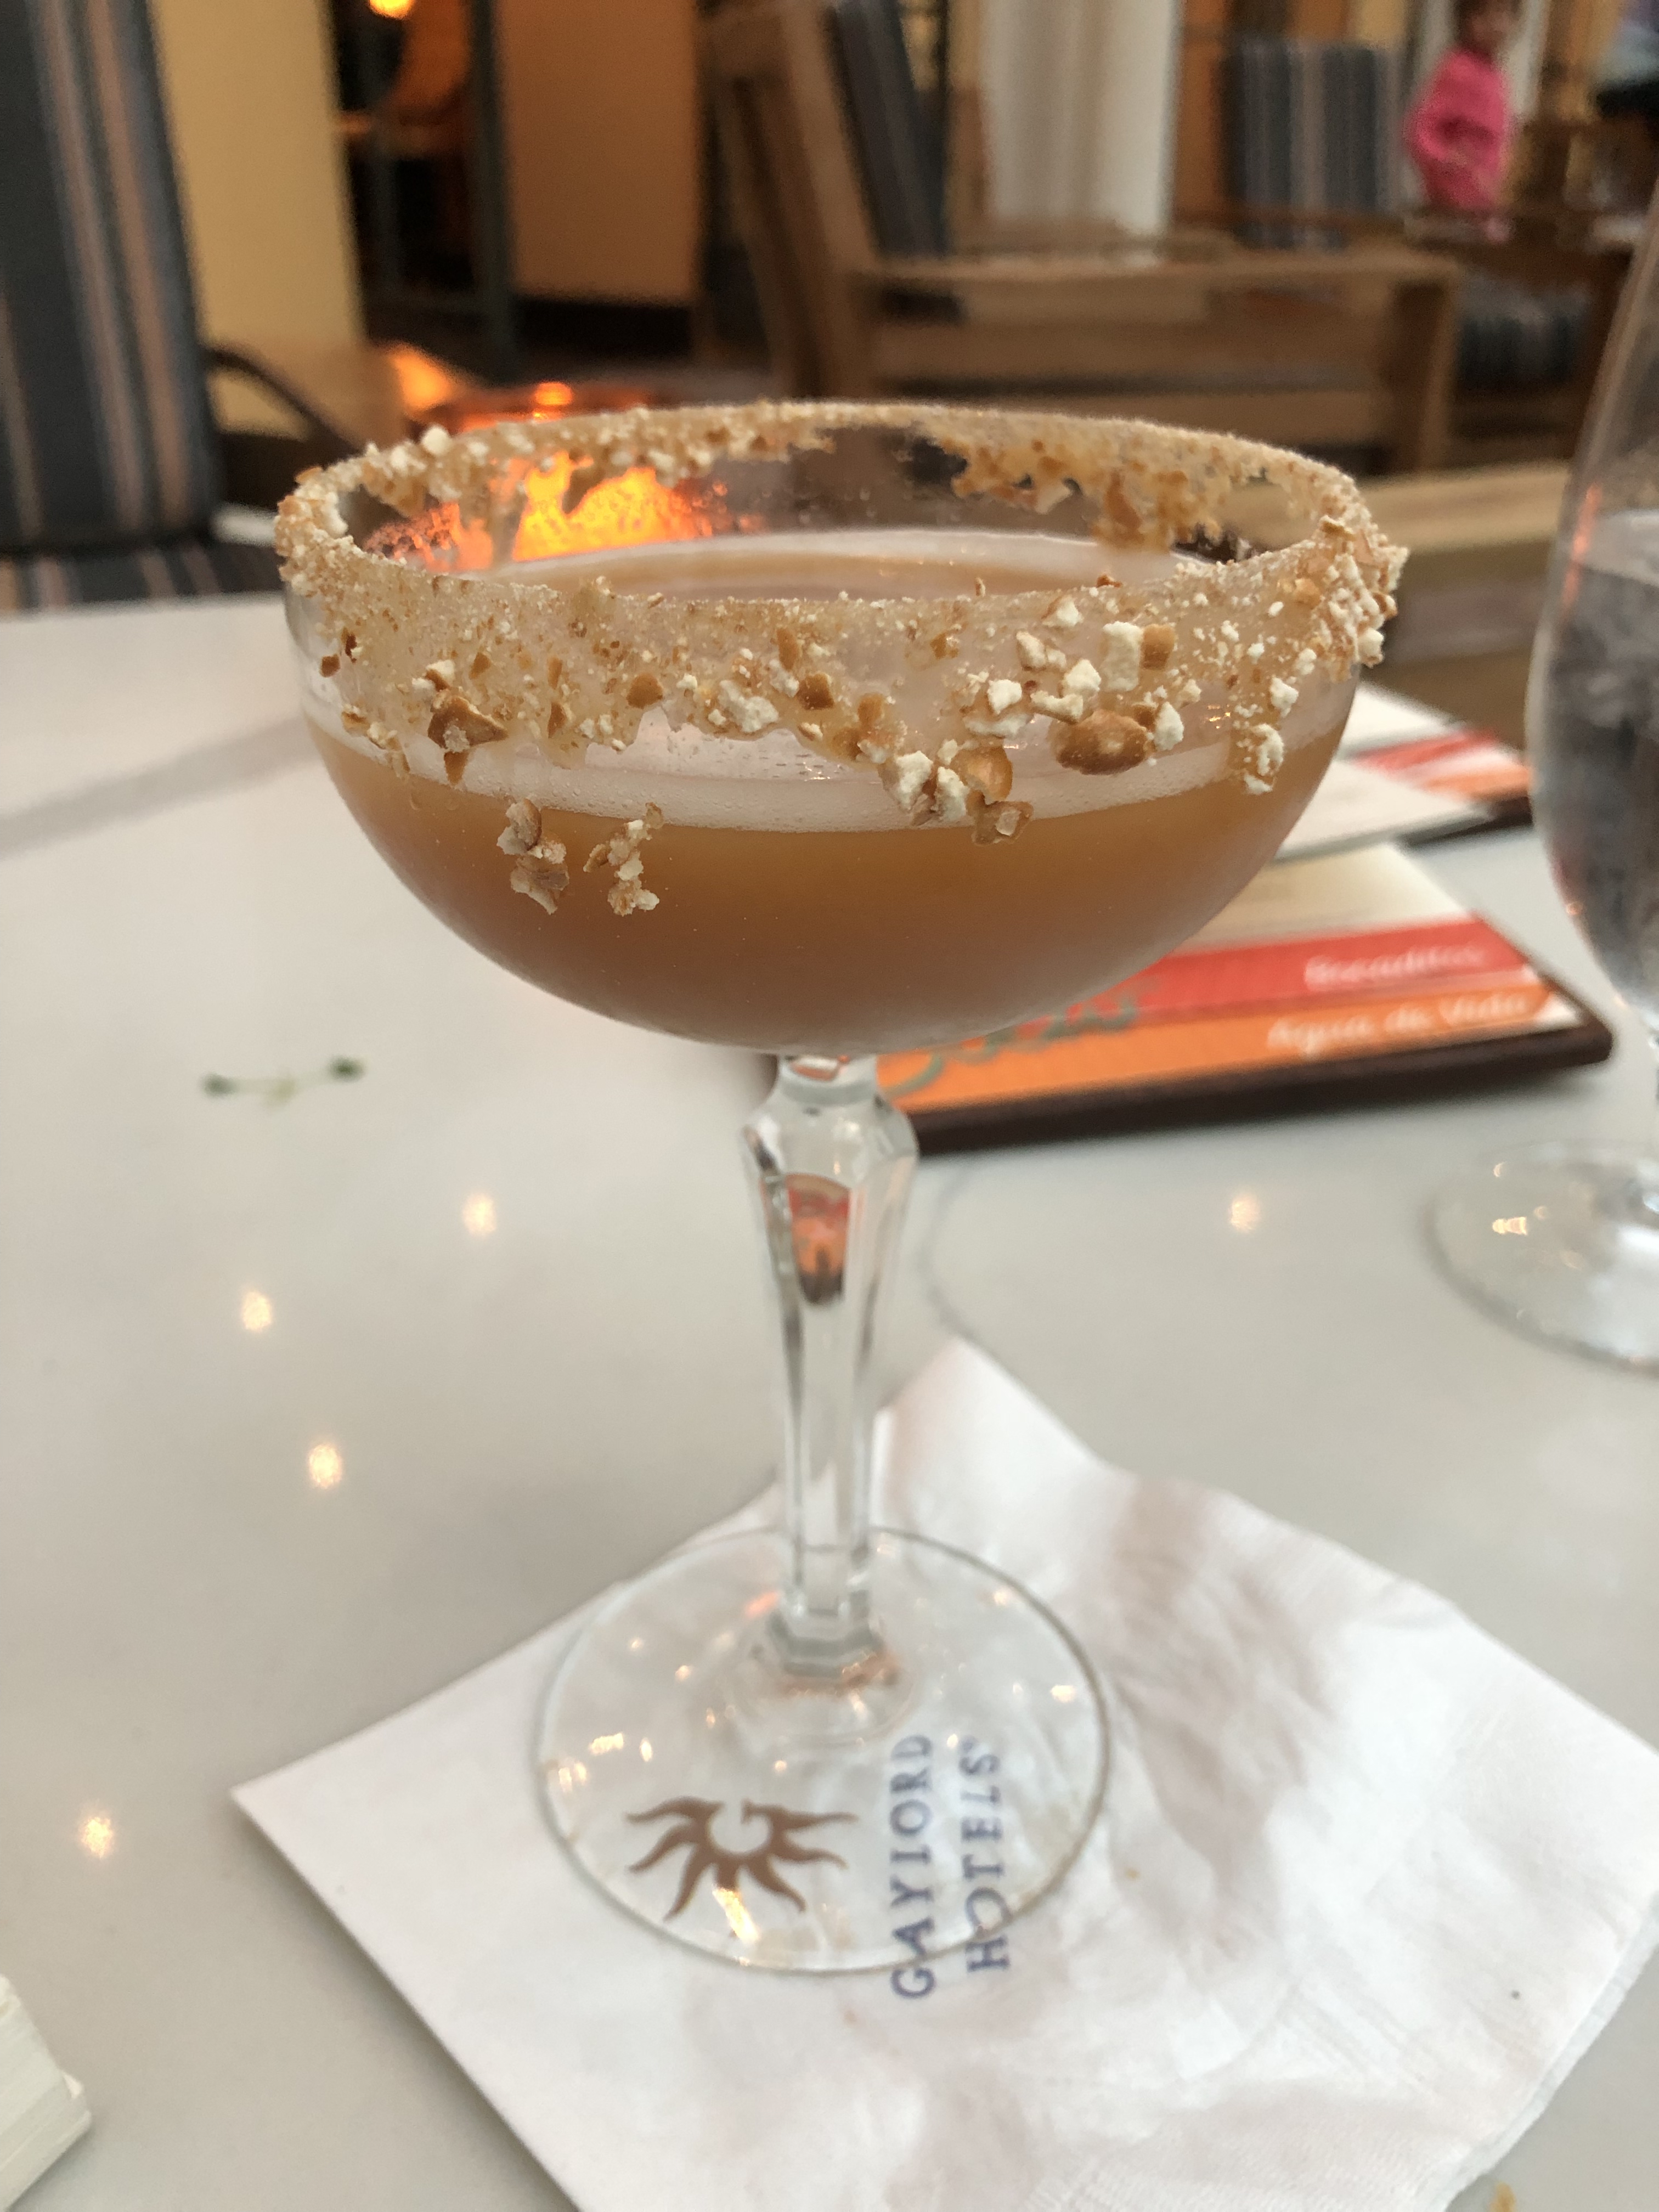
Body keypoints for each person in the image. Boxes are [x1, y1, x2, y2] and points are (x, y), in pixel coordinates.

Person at [1404, 0, 1520, 216]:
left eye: (1503, 14)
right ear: (1465, 20)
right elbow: (1420, 129)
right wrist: (1447, 162)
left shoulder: (1496, 75)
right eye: (1483, 16)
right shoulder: (1457, 70)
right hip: (1453, 204)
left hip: (1485, 200)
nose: (1495, 25)